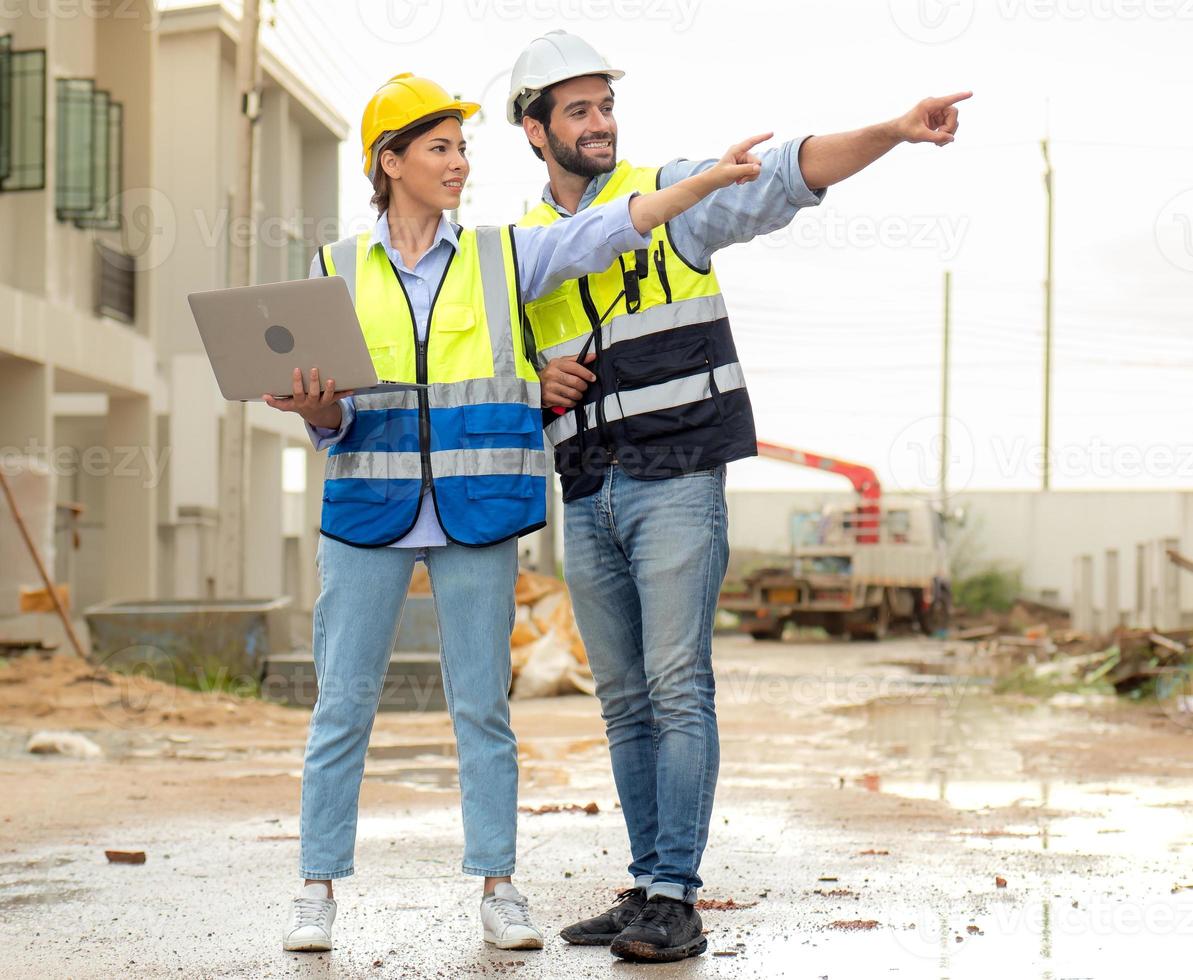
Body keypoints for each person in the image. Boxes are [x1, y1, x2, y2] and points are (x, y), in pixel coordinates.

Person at [263, 71, 771, 955]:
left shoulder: (502, 256)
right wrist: (310, 408)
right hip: (367, 514)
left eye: (463, 147)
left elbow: (613, 225)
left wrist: (701, 183)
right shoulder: (334, 268)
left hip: (477, 513)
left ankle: (499, 888)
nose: (460, 163)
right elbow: (337, 417)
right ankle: (317, 890)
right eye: (440, 148)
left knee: (481, 714)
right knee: (341, 707)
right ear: (390, 163)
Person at [506, 30, 970, 964]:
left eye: (605, 106)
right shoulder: (521, 247)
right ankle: (644, 888)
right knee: (624, 700)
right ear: (534, 129)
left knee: (678, 687)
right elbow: (496, 362)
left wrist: (890, 128)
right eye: (578, 111)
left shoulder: (673, 194)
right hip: (586, 488)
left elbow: (786, 172)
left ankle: (676, 894)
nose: (599, 124)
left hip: (673, 479)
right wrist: (538, 382)